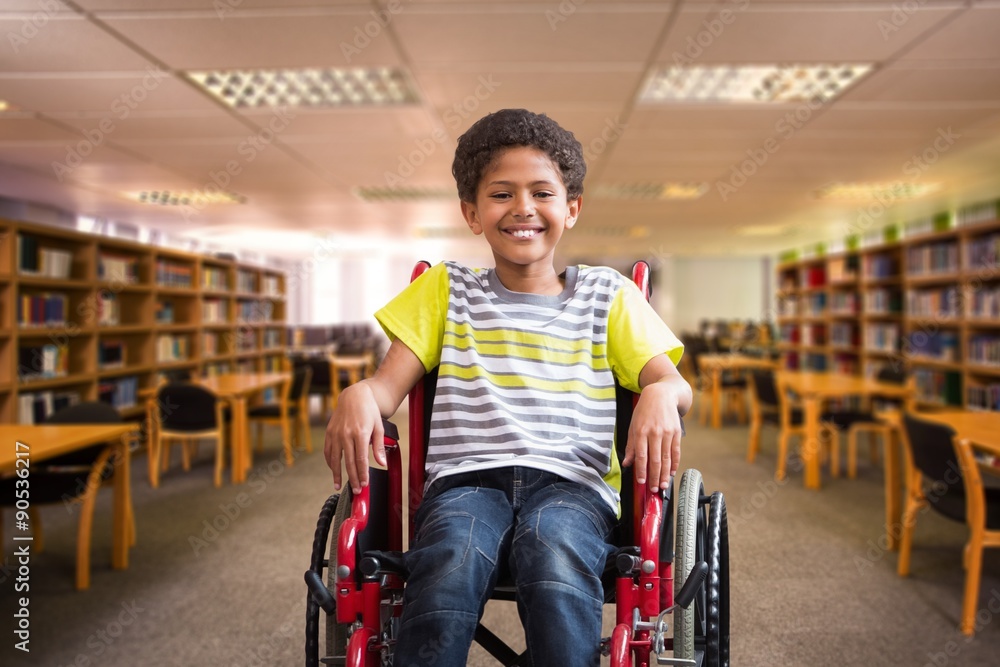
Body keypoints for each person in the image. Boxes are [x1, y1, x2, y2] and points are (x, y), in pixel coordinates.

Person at [324, 108, 692, 667]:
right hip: (465, 483)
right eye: (501, 194)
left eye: (542, 192)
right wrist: (358, 394)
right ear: (472, 213)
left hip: (573, 486)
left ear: (571, 209)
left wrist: (664, 392)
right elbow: (384, 390)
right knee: (450, 554)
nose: (522, 208)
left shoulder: (608, 295)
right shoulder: (448, 290)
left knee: (552, 548)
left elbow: (670, 381)